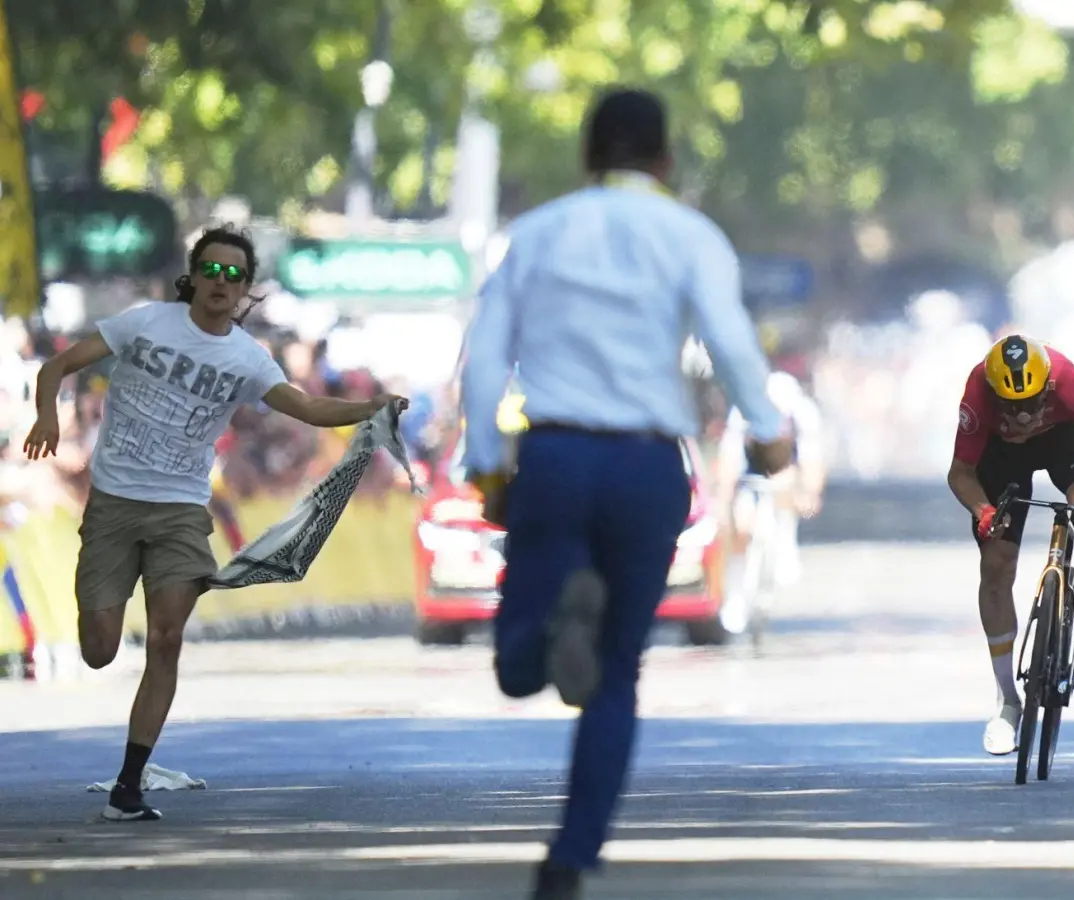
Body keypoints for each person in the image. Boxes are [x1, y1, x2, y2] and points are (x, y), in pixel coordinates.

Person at [457, 87, 792, 900]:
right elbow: (731, 341)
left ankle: (543, 631)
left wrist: (488, 462)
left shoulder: (531, 235)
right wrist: (769, 430)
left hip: (558, 456)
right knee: (616, 675)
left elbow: (484, 356)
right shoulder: (691, 235)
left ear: (585, 155)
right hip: (647, 469)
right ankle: (570, 857)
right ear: (665, 159)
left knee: (514, 666)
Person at [22, 227, 405, 822]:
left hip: (181, 510)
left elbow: (305, 407)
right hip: (115, 503)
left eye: (235, 275)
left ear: (245, 289)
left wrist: (369, 408)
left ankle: (129, 785)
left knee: (167, 639)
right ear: (194, 277)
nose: (222, 284)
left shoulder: (247, 358)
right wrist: (47, 417)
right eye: (212, 271)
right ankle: (103, 644)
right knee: (98, 649)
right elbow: (58, 366)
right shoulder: (144, 323)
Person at [947, 335, 1074, 756]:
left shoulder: (1065, 377)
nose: (1023, 415)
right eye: (1011, 407)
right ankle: (1006, 703)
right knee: (996, 564)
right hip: (1001, 454)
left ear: (1047, 388)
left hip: (1064, 439)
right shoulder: (979, 390)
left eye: (1031, 404)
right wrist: (983, 510)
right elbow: (960, 472)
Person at [714, 334, 827, 636]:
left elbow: (812, 460)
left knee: (786, 481)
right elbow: (729, 459)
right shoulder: (743, 413)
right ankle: (736, 592)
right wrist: (724, 499)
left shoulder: (803, 414)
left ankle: (786, 544)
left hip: (784, 468)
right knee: (743, 525)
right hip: (750, 469)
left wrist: (810, 492)